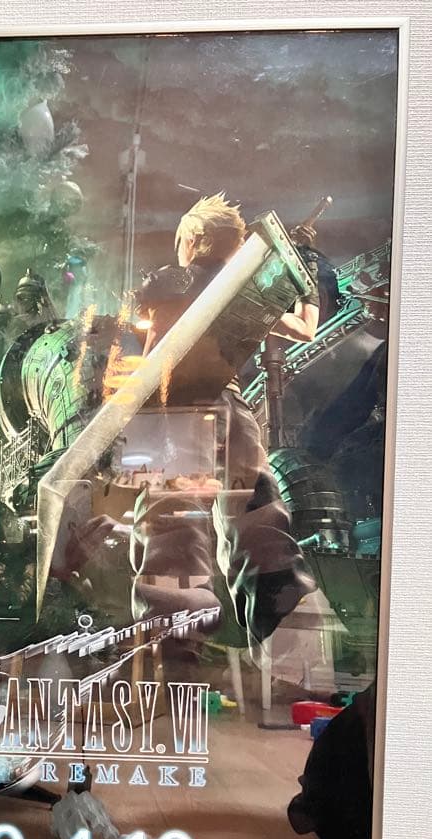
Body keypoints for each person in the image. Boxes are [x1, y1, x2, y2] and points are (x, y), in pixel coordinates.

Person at [129, 193, 319, 651]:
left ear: (195, 237)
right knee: (258, 520)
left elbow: (153, 356)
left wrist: (136, 420)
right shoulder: (247, 288)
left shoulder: (171, 278)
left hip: (180, 408)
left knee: (175, 524)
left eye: (181, 240)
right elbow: (306, 327)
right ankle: (285, 641)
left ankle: (173, 647)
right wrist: (304, 268)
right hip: (233, 410)